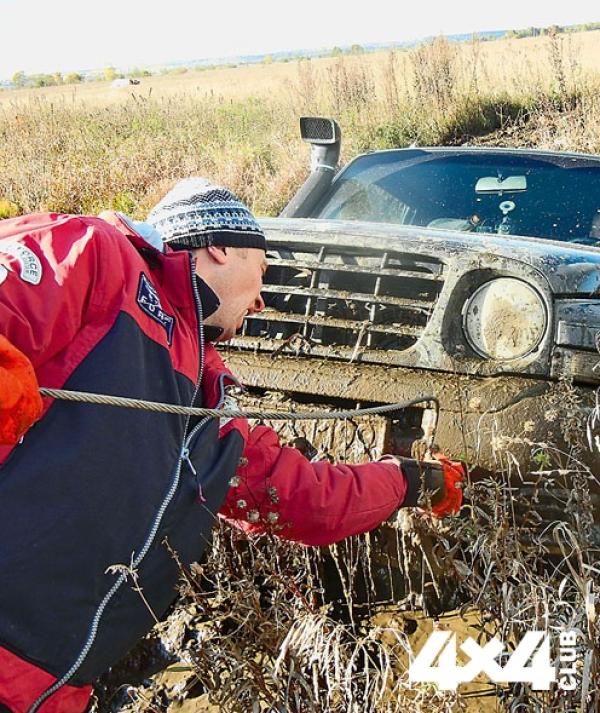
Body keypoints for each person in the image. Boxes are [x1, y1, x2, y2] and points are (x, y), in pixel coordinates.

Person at [0, 178, 463, 713]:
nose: (262, 300)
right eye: (262, 270)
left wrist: (411, 481)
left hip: (51, 688)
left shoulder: (209, 392)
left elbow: (301, 498)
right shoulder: (98, 256)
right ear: (219, 246)